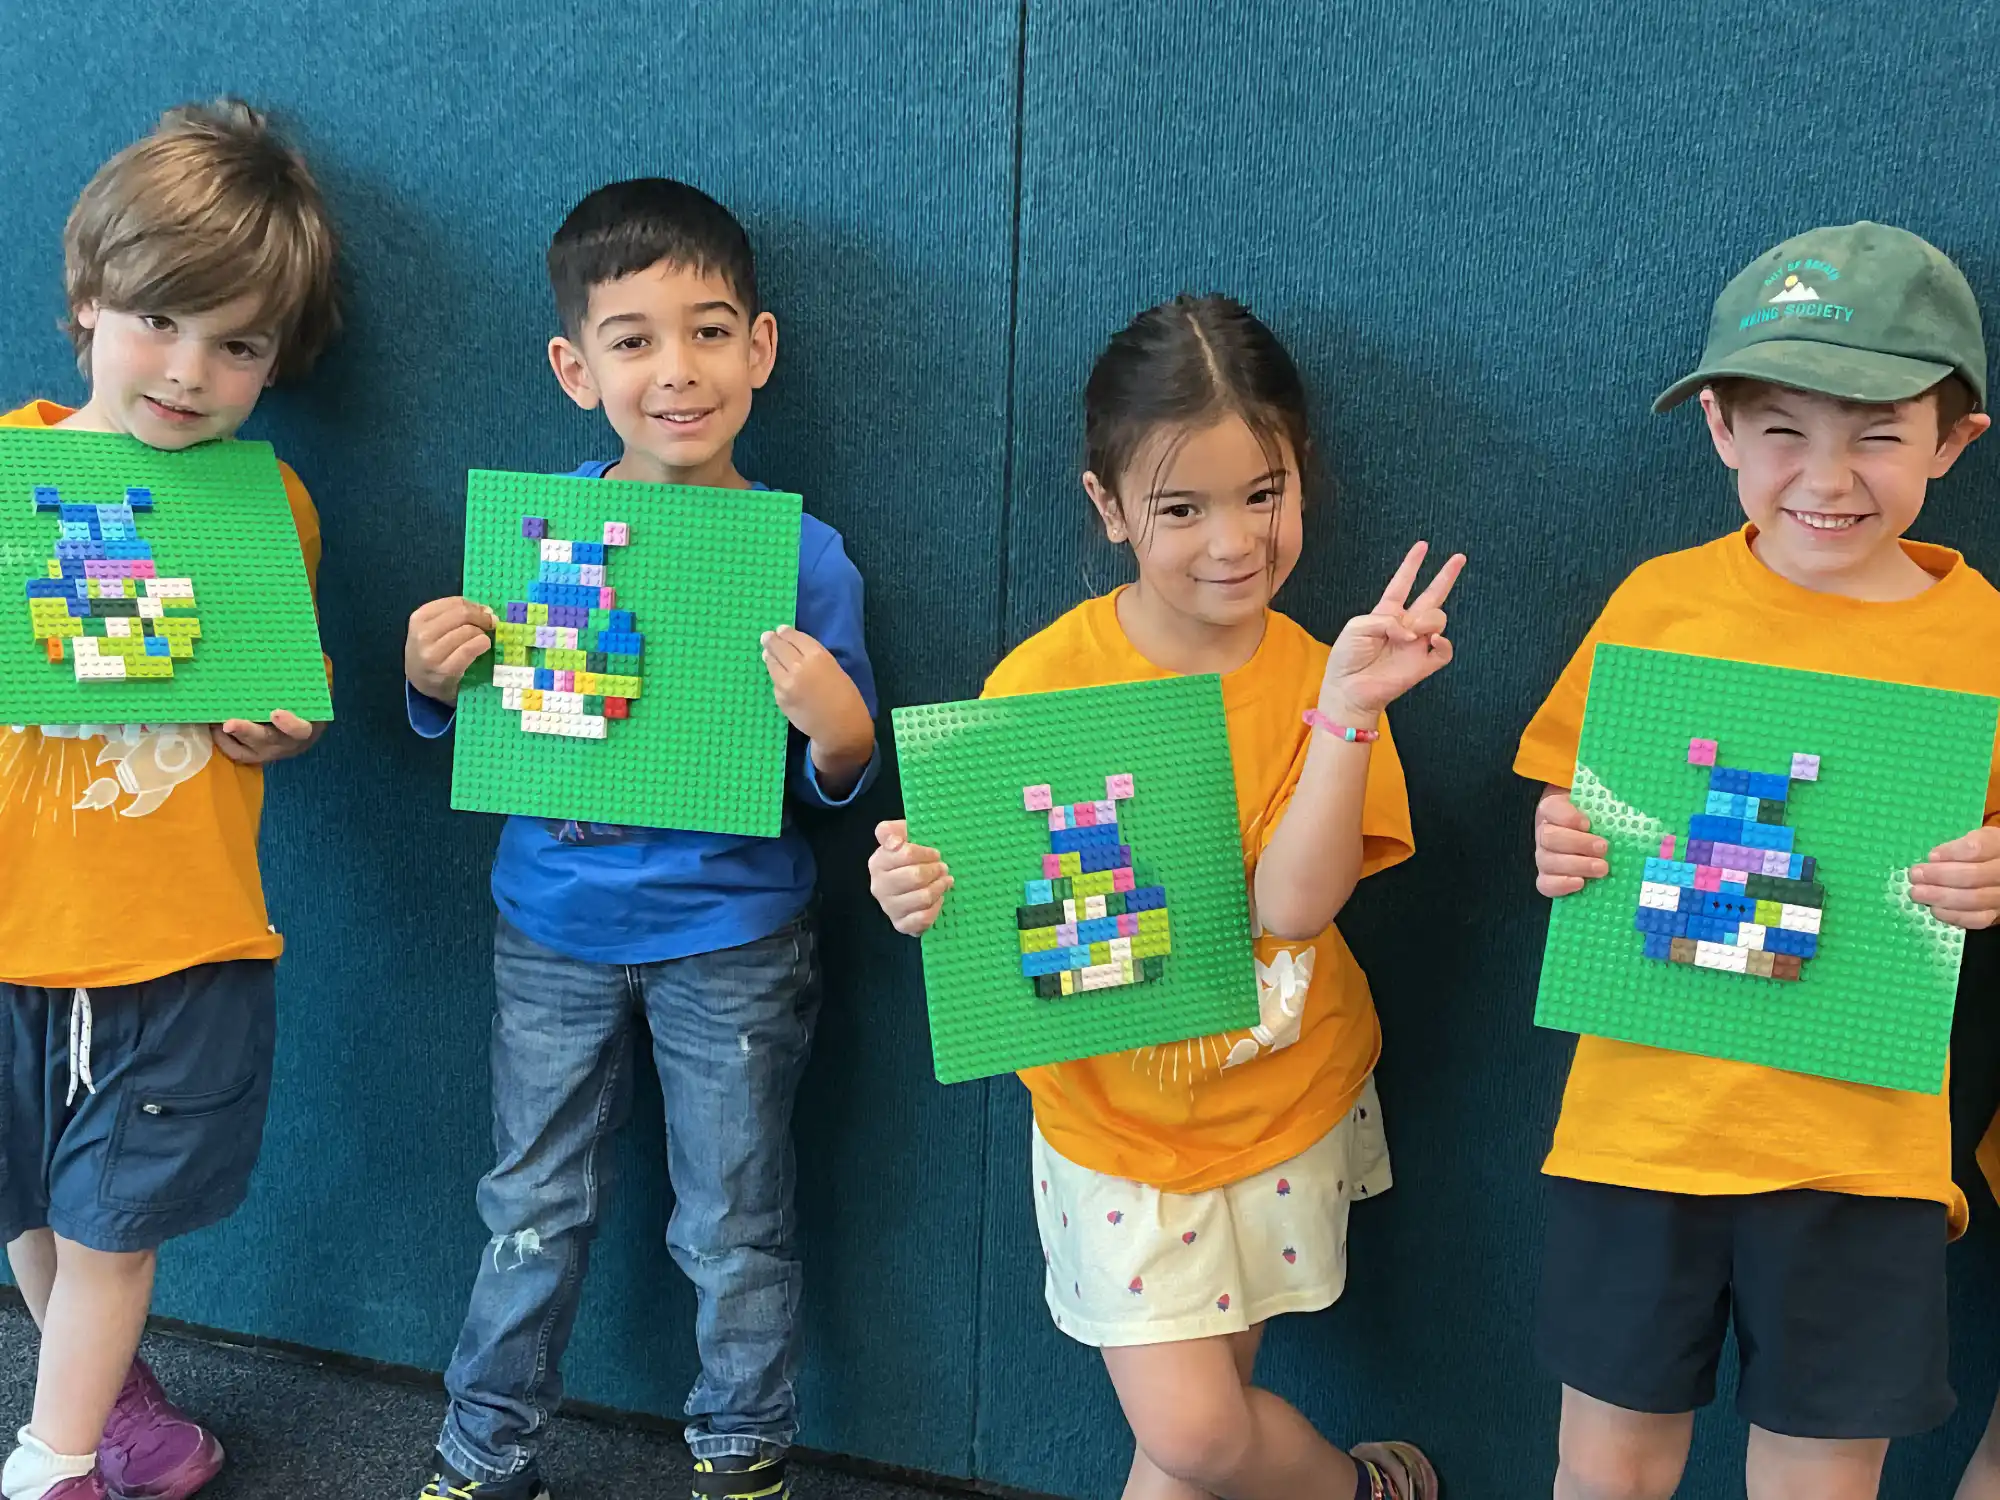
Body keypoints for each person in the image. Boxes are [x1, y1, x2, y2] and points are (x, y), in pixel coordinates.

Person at [870, 293, 1459, 1500]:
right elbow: (984, 909)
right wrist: (921, 891)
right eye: (1180, 508)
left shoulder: (1314, 675)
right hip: (1115, 1130)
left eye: (1263, 494)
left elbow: (1297, 908)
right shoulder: (1043, 681)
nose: (1233, 541)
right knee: (1192, 1433)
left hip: (1277, 1108)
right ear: (1108, 508)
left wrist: (1347, 716)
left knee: (1186, 1449)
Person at [403, 178, 878, 1500]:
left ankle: (740, 1456)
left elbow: (843, 771)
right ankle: (484, 1453)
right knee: (528, 1212)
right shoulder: (536, 537)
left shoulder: (808, 558)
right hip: (550, 925)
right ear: (575, 368)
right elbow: (478, 721)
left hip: (733, 941)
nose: (677, 371)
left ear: (761, 349)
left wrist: (837, 724)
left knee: (733, 1222)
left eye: (710, 332)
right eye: (633, 339)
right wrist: (434, 680)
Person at [1519, 221, 2000, 1500]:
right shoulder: (1657, 604)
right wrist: (1562, 837)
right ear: (1722, 428)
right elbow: (1584, 803)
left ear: (1954, 441)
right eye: (1782, 428)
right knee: (1605, 1464)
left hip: (1861, 1147)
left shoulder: (1981, 636)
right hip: (1641, 1130)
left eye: (1879, 434)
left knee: (1820, 1479)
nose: (1825, 475)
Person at [0, 99, 339, 1500]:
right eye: (159, 322)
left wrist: (279, 736)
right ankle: (114, 1404)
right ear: (88, 304)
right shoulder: (12, 478)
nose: (191, 373)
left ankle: (55, 1458)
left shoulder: (274, 512)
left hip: (175, 942)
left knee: (114, 1230)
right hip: (17, 928)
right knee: (31, 1207)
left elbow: (287, 707)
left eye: (240, 345)